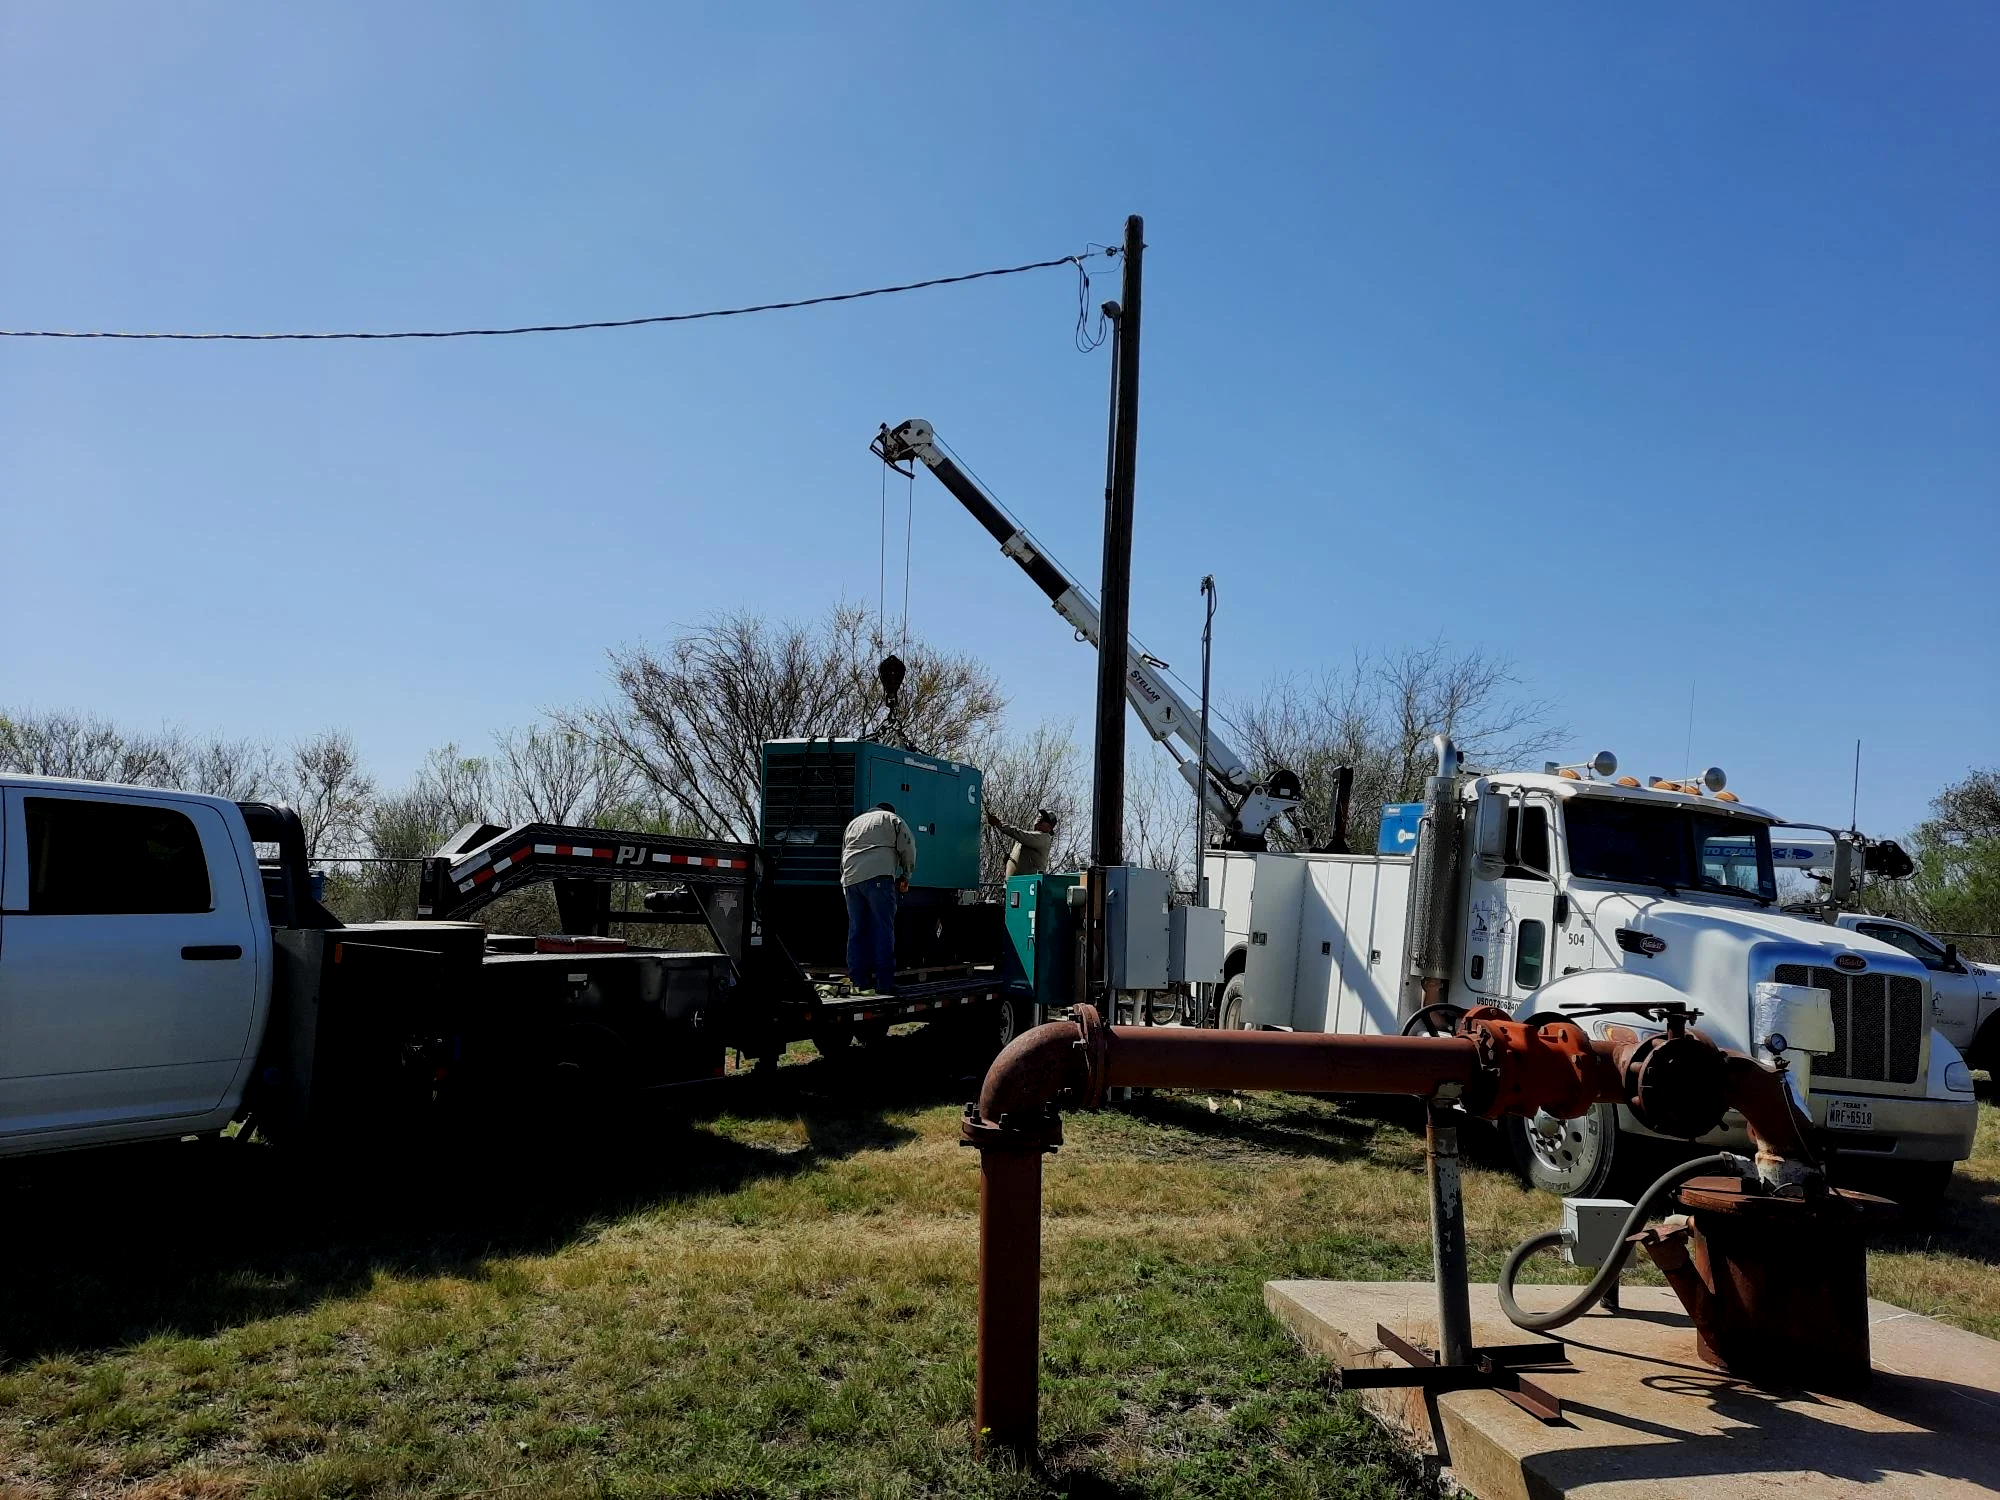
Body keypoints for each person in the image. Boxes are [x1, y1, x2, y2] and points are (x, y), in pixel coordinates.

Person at [841, 800, 916, 994]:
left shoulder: (854, 823)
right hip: (879, 878)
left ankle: (858, 981)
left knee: (856, 931)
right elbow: (908, 846)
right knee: (883, 928)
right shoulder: (891, 819)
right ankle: (884, 983)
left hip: (851, 879)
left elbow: (844, 853)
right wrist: (906, 876)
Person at [987, 807, 1057, 879]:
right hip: (1014, 885)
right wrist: (1010, 861)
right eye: (1040, 816)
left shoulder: (1044, 838)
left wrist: (1000, 824)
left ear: (1049, 828)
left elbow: (1018, 834)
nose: (1040, 818)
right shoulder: (1029, 837)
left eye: (1045, 819)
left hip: (1029, 886)